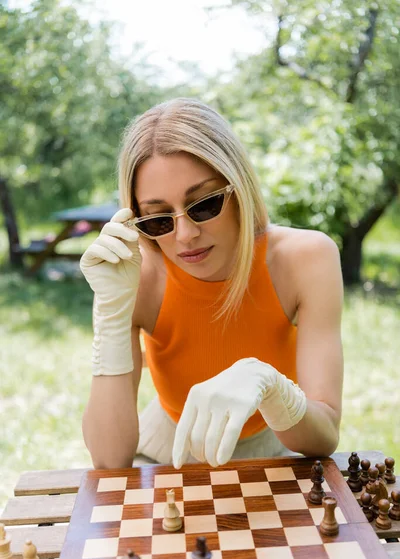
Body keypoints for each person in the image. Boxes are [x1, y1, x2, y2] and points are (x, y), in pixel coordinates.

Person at [80, 97, 343, 470]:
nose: (185, 235)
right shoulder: (135, 274)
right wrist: (110, 312)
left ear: (240, 188)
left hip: (280, 452)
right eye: (158, 220)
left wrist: (270, 386)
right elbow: (109, 461)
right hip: (165, 452)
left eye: (204, 205)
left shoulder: (306, 259)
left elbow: (325, 434)